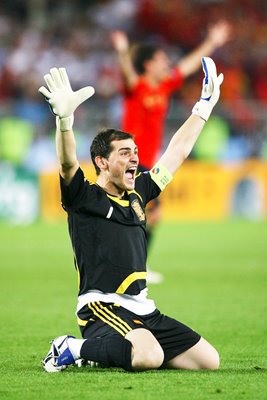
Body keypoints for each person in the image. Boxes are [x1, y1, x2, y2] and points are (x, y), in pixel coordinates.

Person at [39, 56, 223, 373]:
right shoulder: (83, 197)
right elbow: (68, 164)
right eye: (124, 153)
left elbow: (176, 152)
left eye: (135, 152)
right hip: (102, 305)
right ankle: (70, 347)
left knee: (208, 361)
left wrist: (203, 107)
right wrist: (64, 121)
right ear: (101, 162)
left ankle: (134, 347)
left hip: (143, 308)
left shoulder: (140, 193)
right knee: (149, 357)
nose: (134, 159)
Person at [111, 22, 231, 283]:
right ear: (148, 65)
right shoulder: (138, 86)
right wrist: (122, 52)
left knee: (145, 213)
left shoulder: (164, 85)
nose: (167, 63)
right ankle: (135, 266)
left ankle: (132, 265)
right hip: (130, 159)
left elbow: (187, 66)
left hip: (145, 160)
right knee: (148, 212)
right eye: (161, 59)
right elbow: (128, 74)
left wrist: (212, 41)